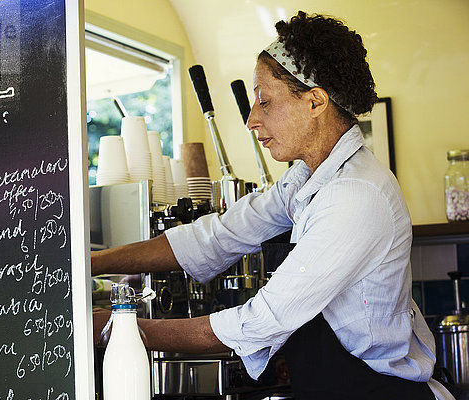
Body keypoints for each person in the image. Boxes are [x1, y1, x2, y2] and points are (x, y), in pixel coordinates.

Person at [92, 11, 455, 400]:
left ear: (315, 102)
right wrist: (89, 263)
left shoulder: (356, 194)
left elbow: (262, 320)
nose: (252, 120)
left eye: (264, 102)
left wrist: (122, 329)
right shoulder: (309, 177)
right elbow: (217, 236)